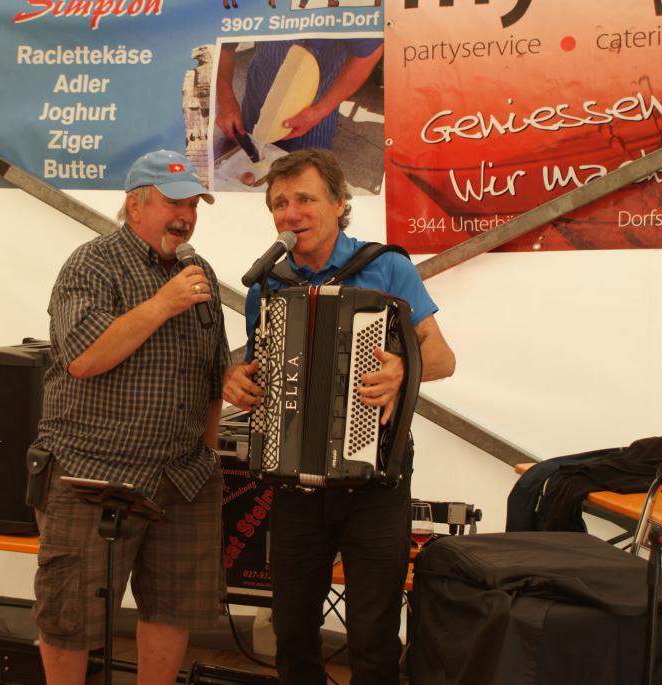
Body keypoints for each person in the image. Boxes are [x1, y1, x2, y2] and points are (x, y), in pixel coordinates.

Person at [222, 149, 455, 684]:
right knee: (292, 632)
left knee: (373, 636)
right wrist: (237, 381)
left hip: (373, 484)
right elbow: (261, 370)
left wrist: (404, 369)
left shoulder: (386, 266)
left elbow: (442, 357)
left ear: (339, 204)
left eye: (304, 199)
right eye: (279, 203)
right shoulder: (267, 285)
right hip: (293, 484)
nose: (290, 213)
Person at [32, 150, 229, 685]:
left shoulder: (199, 273)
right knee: (70, 615)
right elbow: (82, 357)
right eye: (173, 203)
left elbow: (214, 376)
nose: (185, 216)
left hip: (183, 479)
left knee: (171, 609)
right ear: (135, 205)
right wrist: (163, 304)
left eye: (193, 205)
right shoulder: (92, 264)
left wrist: (208, 454)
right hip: (93, 474)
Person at [215, 38, 383, 152]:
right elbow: (222, 40)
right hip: (259, 96)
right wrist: (225, 98)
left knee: (304, 178)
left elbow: (370, 51)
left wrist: (320, 111)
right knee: (249, 167)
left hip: (316, 110)